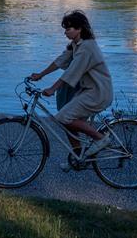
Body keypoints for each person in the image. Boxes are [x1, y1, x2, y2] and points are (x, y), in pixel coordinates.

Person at [30, 10, 114, 161]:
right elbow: (61, 60)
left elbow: (71, 72)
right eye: (65, 29)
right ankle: (78, 157)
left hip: (97, 93)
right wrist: (41, 74)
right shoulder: (76, 44)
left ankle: (100, 138)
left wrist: (52, 89)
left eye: (68, 29)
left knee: (63, 117)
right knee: (66, 122)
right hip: (87, 91)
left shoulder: (87, 47)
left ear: (79, 29)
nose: (65, 33)